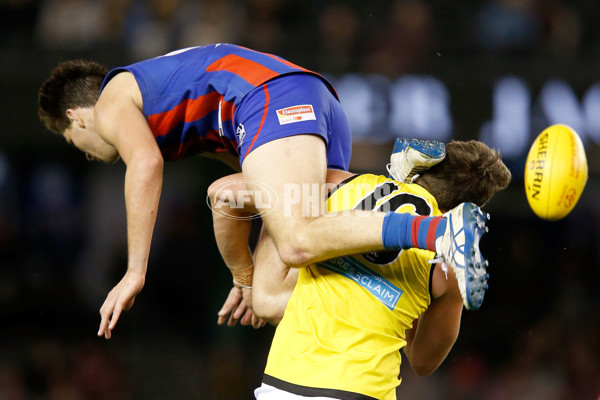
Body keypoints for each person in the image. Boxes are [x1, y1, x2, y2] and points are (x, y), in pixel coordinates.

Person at [38, 43, 478, 340]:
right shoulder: (167, 109)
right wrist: (244, 273)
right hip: (306, 107)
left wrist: (136, 271)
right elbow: (258, 179)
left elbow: (146, 167)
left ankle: (437, 231)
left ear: (77, 118)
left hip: (275, 98)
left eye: (72, 142)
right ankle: (402, 214)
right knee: (268, 298)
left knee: (298, 240)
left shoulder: (112, 100)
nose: (87, 154)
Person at [209, 140, 511, 399]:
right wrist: (401, 294)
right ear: (465, 210)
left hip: (287, 383)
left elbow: (222, 193)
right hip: (363, 390)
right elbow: (423, 361)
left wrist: (246, 273)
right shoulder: (450, 269)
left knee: (284, 234)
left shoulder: (343, 184)